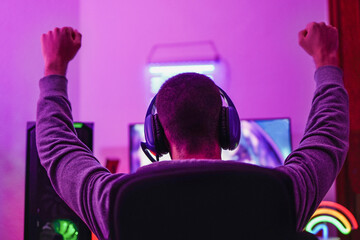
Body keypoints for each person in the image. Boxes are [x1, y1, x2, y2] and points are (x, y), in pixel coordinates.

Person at [36, 22, 349, 240]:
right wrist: (327, 59)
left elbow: (57, 148)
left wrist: (55, 66)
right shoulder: (280, 192)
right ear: (227, 128)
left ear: (156, 133)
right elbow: (327, 138)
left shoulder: (118, 200)